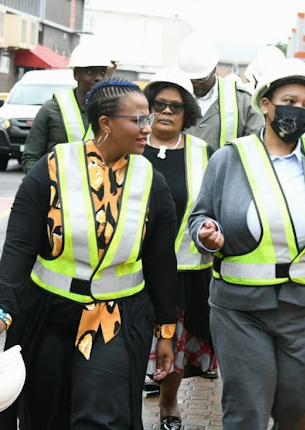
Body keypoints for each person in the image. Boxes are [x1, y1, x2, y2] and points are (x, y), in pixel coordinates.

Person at [0, 77, 179, 429]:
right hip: (50, 313)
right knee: (47, 415)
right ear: (105, 123)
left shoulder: (150, 180)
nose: (148, 128)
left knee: (102, 415)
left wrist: (165, 331)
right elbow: (19, 247)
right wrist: (2, 308)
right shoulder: (51, 169)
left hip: (118, 318)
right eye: (138, 120)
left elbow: (162, 263)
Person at [188, 58, 305, 430]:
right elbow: (199, 218)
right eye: (290, 101)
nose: (299, 112)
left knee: (298, 407)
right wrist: (205, 233)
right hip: (241, 310)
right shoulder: (229, 159)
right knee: (248, 408)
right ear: (266, 104)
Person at [141, 67, 217, 430]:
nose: (166, 112)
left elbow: (215, 206)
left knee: (176, 341)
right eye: (159, 105)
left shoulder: (205, 153)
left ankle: (169, 403)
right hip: (132, 270)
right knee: (133, 340)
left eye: (175, 106)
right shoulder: (130, 145)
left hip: (186, 269)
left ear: (188, 112)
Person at [21, 43, 112, 173]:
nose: (98, 78)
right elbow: (31, 157)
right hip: (58, 190)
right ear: (76, 75)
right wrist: (42, 186)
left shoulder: (114, 111)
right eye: (90, 71)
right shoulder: (51, 110)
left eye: (103, 72)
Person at [176, 33, 261, 150]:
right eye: (190, 80)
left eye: (201, 79)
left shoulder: (242, 101)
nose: (195, 84)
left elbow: (254, 147)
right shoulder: (172, 97)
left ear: (214, 69)